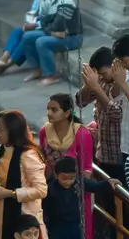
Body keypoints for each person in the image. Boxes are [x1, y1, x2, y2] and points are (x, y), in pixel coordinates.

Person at [0, 110, 47, 239]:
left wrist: (11, 193)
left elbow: (41, 190)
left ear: (12, 131)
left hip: (24, 219)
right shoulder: (3, 150)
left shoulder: (28, 155)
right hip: (1, 213)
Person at [38, 94, 93, 234]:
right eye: (48, 109)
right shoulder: (45, 131)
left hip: (75, 190)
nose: (49, 113)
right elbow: (43, 159)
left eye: (54, 110)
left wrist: (78, 190)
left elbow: (86, 168)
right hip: (52, 190)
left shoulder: (81, 133)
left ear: (67, 113)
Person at [19, 0, 83, 86]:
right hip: (57, 34)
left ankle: (51, 75)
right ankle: (37, 69)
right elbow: (44, 22)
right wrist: (52, 31)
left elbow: (59, 25)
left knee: (42, 42)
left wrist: (51, 29)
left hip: (72, 37)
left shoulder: (65, 1)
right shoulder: (45, 1)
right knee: (27, 37)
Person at [76, 48, 124, 178]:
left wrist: (96, 88)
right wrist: (88, 85)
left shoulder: (124, 84)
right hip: (103, 151)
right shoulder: (101, 81)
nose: (102, 77)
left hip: (120, 153)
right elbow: (80, 102)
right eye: (99, 74)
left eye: (104, 73)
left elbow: (115, 114)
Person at [42, 157, 115, 239]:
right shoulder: (50, 189)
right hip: (57, 227)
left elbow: (95, 186)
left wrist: (108, 182)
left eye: (71, 178)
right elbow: (45, 210)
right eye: (64, 179)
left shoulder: (79, 182)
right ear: (56, 175)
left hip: (75, 225)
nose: (68, 182)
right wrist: (45, 227)